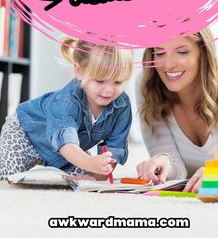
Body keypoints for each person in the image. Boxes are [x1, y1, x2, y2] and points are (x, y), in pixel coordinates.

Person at [0, 38, 133, 180]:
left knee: (83, 181)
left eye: (118, 82)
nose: (109, 91)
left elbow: (114, 149)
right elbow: (66, 144)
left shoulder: (122, 105)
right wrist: (90, 163)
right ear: (79, 71)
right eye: (99, 81)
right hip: (26, 135)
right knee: (5, 174)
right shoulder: (66, 101)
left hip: (66, 155)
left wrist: (97, 177)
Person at [136, 28, 218, 192]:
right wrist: (163, 161)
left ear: (203, 53)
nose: (168, 65)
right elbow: (177, 172)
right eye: (160, 53)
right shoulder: (147, 85)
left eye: (182, 52)